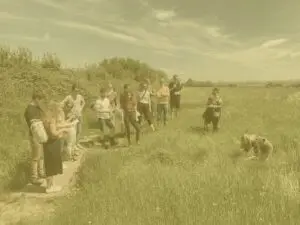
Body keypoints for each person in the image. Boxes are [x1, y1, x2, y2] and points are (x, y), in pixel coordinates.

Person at [42, 101, 76, 193]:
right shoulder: (52, 119)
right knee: (51, 166)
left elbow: (52, 129)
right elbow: (53, 133)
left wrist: (62, 127)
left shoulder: (46, 118)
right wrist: (62, 132)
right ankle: (49, 187)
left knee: (49, 165)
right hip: (52, 144)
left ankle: (51, 185)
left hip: (47, 144)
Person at [24, 89, 47, 185]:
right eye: (40, 99)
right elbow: (34, 124)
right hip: (34, 135)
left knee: (41, 156)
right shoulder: (29, 109)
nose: (41, 102)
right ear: (36, 98)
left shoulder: (37, 108)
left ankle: (41, 173)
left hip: (40, 134)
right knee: (35, 157)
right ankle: (34, 178)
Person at [60, 83, 85, 150]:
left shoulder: (79, 96)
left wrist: (81, 108)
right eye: (76, 89)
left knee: (79, 130)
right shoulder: (69, 97)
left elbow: (83, 102)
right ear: (73, 90)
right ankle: (72, 145)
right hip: (72, 117)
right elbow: (62, 103)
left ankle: (77, 143)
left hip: (79, 115)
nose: (77, 91)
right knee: (73, 132)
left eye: (78, 89)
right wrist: (64, 107)